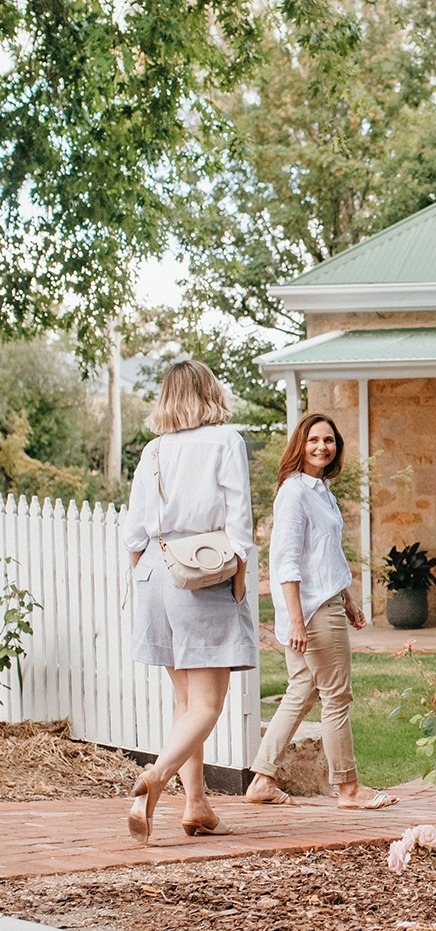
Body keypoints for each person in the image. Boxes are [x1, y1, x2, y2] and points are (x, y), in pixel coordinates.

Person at [123, 359, 256, 844]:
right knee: (206, 705)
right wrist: (239, 577)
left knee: (182, 700)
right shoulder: (226, 441)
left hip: (158, 571)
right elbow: (239, 516)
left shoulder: (153, 451)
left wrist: (146, 579)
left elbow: (134, 531)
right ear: (209, 391)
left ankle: (196, 805)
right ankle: (154, 781)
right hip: (203, 570)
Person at [244, 413, 397, 810]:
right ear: (300, 443)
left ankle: (262, 778)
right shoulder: (295, 493)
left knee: (300, 692)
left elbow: (326, 556)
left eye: (329, 440)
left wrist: (347, 600)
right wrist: (297, 619)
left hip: (325, 604)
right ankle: (348, 789)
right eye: (314, 440)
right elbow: (286, 562)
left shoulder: (321, 490)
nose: (321, 447)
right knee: (337, 696)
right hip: (311, 613)